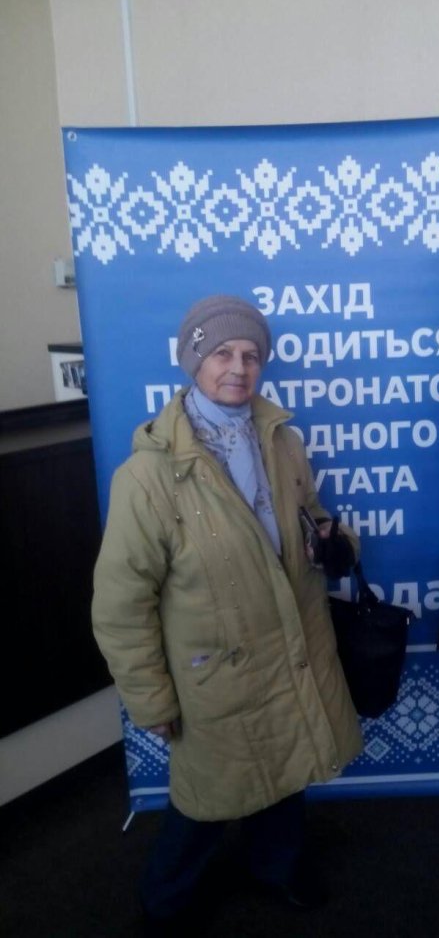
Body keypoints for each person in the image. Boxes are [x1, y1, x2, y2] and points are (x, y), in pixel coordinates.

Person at [92, 295, 362, 931]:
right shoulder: (148, 476)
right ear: (193, 361)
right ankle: (165, 900)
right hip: (217, 669)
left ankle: (277, 866)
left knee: (288, 765)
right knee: (207, 797)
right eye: (221, 353)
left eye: (250, 355)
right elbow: (121, 605)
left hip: (291, 644)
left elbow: (312, 515)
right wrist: (150, 697)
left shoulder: (283, 441)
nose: (238, 368)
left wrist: (334, 541)